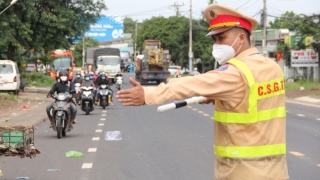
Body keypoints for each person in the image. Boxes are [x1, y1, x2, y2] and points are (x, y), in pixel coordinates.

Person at [116, 4, 288, 180]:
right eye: (215, 40)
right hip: (275, 171)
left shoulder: (235, 72)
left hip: (242, 171)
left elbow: (192, 83)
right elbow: (251, 101)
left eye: (222, 38)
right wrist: (220, 98)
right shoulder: (272, 67)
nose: (217, 45)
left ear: (242, 38)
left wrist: (147, 94)